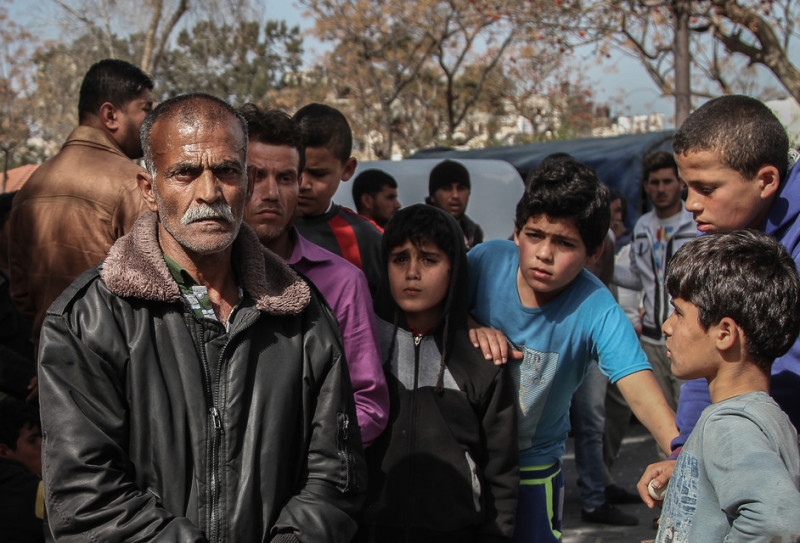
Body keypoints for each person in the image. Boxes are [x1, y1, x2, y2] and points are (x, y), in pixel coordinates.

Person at [37, 93, 366, 541]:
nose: (209, 193)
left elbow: (335, 480)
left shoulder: (302, 314)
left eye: (227, 171)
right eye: (185, 172)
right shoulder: (90, 320)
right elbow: (86, 501)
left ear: (246, 183)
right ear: (149, 189)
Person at [467, 157, 678, 542]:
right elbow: (434, 315)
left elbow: (639, 386)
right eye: (535, 235)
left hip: (531, 470)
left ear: (595, 252)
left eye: (564, 243)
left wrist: (679, 454)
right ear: (516, 232)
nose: (544, 254)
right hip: (465, 458)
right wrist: (471, 326)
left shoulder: (596, 307)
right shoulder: (484, 262)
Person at [639, 95, 800, 503]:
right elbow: (706, 355)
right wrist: (689, 452)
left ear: (766, 181)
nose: (690, 203)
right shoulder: (723, 226)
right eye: (686, 186)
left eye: (706, 188)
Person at [360, 203, 518, 542]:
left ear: (454, 269)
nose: (412, 272)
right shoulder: (363, 344)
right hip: (368, 530)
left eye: (429, 259)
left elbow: (501, 473)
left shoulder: (482, 359)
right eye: (399, 259)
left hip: (457, 531)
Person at [239, 103, 389, 448]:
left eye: (286, 178)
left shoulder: (343, 282)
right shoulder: (201, 275)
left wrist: (302, 460)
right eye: (255, 175)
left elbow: (367, 403)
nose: (272, 193)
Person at [653, 230, 800, 542]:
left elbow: (777, 523)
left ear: (724, 333)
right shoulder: (767, 415)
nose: (667, 326)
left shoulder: (728, 425)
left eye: (679, 313)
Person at [8, 59, 153, 358]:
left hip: (49, 363)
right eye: (146, 109)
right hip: (116, 370)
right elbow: (158, 286)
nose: (150, 123)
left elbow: (20, 294)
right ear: (110, 115)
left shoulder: (30, 188)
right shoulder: (134, 185)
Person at [614, 151, 695, 412]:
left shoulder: (695, 223)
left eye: (667, 181)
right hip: (650, 337)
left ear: (680, 183)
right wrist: (603, 269)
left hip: (688, 334)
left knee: (691, 418)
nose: (661, 189)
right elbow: (638, 279)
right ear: (647, 186)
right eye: (655, 182)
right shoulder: (642, 226)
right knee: (662, 422)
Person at [292, 103, 383, 296]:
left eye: (318, 174)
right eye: (297, 170)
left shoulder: (367, 238)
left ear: (348, 169)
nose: (304, 184)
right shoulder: (256, 228)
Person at [0, 398, 45, 542]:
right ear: (3, 452)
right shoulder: (25, 491)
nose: (43, 445)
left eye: (42, 436)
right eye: (32, 440)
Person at [426, 159, 484, 250]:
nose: (455, 195)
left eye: (461, 188)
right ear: (432, 196)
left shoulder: (473, 232)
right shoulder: (421, 230)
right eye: (446, 188)